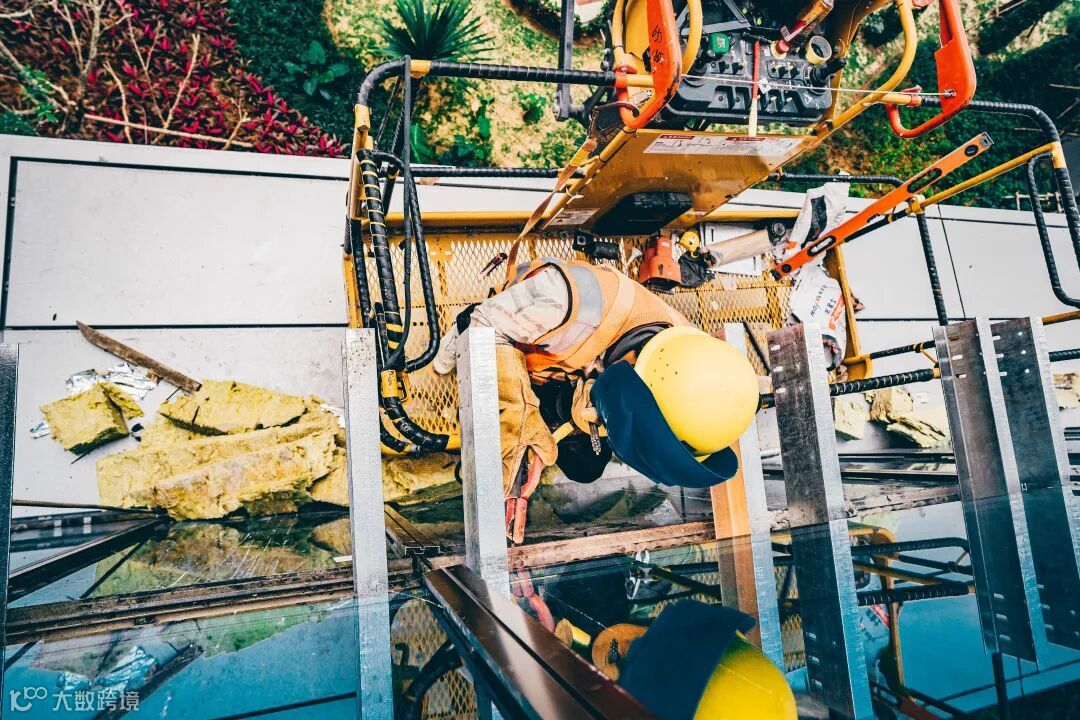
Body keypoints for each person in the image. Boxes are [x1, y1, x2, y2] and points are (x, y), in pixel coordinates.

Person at [434, 255, 760, 542]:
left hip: (578, 367)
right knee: (447, 360)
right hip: (513, 330)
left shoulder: (688, 349)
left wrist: (585, 412)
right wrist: (516, 413)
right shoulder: (564, 302)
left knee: (585, 466)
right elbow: (483, 327)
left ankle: (559, 404)